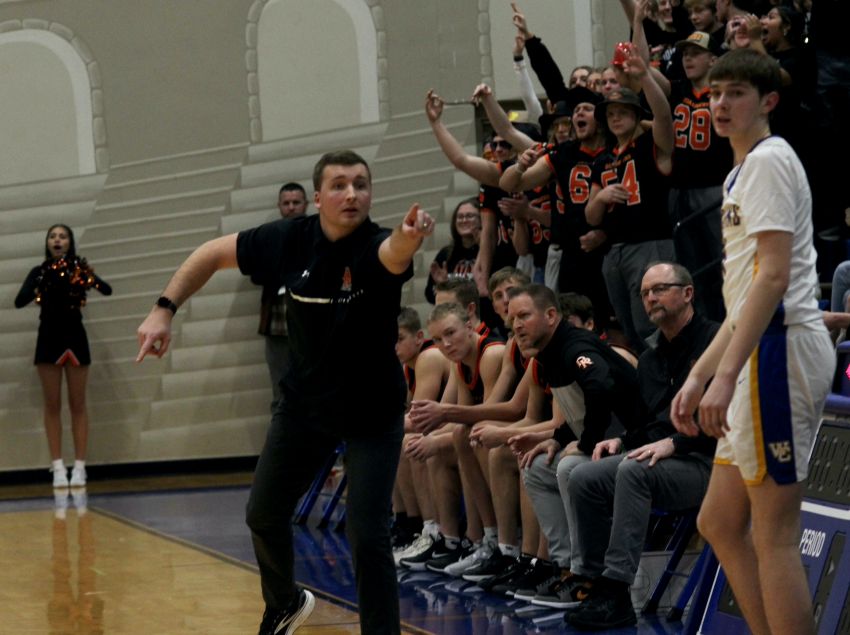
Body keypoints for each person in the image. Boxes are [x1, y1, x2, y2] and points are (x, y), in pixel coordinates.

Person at [135, 150, 435, 635]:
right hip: (305, 406)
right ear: (317, 197)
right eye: (339, 185)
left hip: (371, 411)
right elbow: (211, 253)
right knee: (263, 514)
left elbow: (395, 251)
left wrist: (411, 234)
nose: (352, 194)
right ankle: (285, 602)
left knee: (367, 534)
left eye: (361, 184)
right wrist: (164, 308)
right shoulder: (288, 240)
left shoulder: (375, 245)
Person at [671, 49, 833, 635]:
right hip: (754, 348)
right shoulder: (740, 172)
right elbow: (742, 303)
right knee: (718, 520)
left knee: (775, 535)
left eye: (734, 93)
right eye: (714, 94)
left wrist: (721, 375)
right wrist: (698, 374)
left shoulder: (768, 160)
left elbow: (773, 278)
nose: (719, 104)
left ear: (767, 102)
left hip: (777, 353)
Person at [563, 263, 717, 629]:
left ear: (688, 293)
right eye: (645, 293)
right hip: (668, 460)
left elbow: (727, 421)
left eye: (660, 289)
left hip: (712, 461)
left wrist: (675, 443)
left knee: (633, 471)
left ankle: (618, 592)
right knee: (585, 476)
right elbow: (651, 426)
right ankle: (595, 583)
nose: (650, 298)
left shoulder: (713, 343)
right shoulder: (649, 358)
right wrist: (622, 439)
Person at [15, 224, 112, 489]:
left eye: (63, 236)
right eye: (53, 236)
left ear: (70, 243)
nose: (57, 240)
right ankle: (58, 466)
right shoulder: (39, 272)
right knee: (52, 404)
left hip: (75, 338)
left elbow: (107, 289)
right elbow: (19, 299)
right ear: (47, 243)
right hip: (48, 339)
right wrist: (41, 289)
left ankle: (80, 467)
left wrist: (87, 276)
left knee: (78, 404)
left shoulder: (78, 270)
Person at [258, 182, 308, 412]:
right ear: (279, 206)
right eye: (286, 203)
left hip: (312, 326)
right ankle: (285, 446)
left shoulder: (318, 233)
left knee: (317, 387)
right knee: (280, 391)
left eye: (296, 202)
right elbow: (255, 273)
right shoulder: (269, 235)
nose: (291, 208)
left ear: (306, 204)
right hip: (277, 326)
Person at [424, 198, 481, 304]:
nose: (464, 220)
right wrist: (441, 286)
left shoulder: (489, 250)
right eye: (460, 217)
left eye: (469, 216)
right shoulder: (445, 254)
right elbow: (429, 296)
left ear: (481, 219)